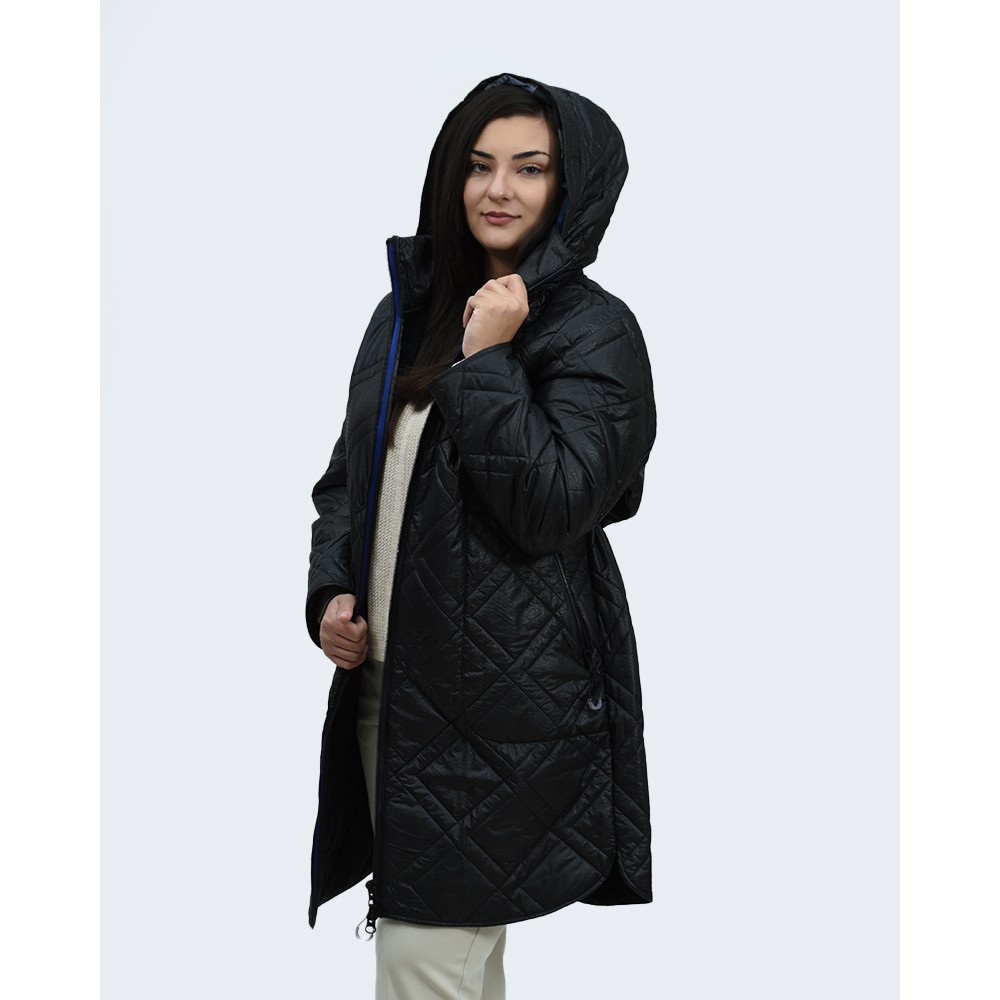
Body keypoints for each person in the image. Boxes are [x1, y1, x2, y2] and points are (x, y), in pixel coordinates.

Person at [305, 72, 657, 1000]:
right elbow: (350, 478)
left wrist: (491, 358)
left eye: (530, 168)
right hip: (389, 695)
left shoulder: (594, 331)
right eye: (479, 165)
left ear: (570, 188)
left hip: (500, 716)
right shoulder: (406, 312)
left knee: (424, 963)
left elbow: (555, 506)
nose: (498, 189)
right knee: (450, 968)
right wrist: (332, 591)